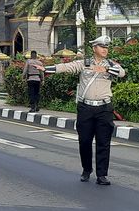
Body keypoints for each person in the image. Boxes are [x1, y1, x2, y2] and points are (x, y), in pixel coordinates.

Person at [46, 35, 126, 186]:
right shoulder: (84, 64)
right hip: (85, 108)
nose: (105, 49)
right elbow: (66, 67)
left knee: (104, 142)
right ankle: (86, 169)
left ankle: (102, 175)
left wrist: (105, 68)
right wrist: (45, 68)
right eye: (102, 47)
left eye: (106, 47)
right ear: (94, 48)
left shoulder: (111, 64)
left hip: (104, 108)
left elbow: (121, 73)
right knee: (84, 141)